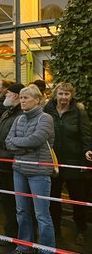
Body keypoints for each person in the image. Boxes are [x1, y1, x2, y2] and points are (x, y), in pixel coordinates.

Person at [5, 85, 56, 254]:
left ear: (37, 100)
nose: (23, 100)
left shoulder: (46, 118)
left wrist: (20, 146)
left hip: (39, 172)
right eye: (22, 98)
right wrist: (24, 147)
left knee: (42, 215)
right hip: (19, 169)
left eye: (26, 98)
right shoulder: (18, 119)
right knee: (22, 211)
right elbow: (8, 142)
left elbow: (37, 140)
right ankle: (24, 246)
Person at [44, 82, 91, 245]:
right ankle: (55, 229)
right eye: (61, 94)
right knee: (53, 198)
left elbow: (86, 136)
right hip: (53, 161)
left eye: (67, 94)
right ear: (55, 94)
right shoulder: (46, 110)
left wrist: (88, 150)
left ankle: (81, 229)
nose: (63, 97)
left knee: (78, 198)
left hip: (74, 162)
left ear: (71, 96)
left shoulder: (79, 113)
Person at [0, 83, 24, 245]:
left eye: (8, 94)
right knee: (8, 202)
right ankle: (10, 233)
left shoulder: (20, 115)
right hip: (3, 162)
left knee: (16, 202)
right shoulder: (8, 112)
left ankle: (18, 236)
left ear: (16, 96)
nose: (5, 96)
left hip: (12, 163)